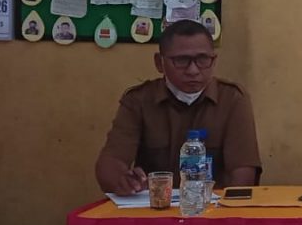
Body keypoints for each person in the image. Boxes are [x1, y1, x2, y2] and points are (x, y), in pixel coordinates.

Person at [95, 19, 262, 195]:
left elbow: (243, 174)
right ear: (160, 63)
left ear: (213, 61)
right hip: (154, 208)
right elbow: (111, 162)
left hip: (212, 210)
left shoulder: (233, 99)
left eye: (202, 59)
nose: (193, 70)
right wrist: (123, 181)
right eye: (181, 60)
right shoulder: (139, 100)